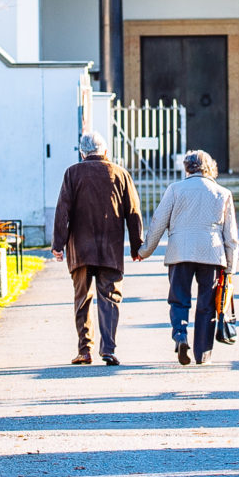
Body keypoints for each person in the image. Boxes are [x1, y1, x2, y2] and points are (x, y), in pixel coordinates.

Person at [51, 131, 142, 365]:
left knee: (82, 298)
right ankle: (109, 348)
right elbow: (133, 213)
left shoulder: (72, 173)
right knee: (110, 298)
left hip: (80, 249)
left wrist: (58, 244)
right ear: (105, 151)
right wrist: (136, 246)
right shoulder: (120, 174)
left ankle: (85, 349)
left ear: (82, 153)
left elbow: (63, 211)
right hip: (110, 248)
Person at [141, 149, 239, 366]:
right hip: (212, 254)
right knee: (207, 305)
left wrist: (144, 251)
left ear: (186, 167)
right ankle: (202, 354)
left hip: (180, 252)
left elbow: (158, 222)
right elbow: (230, 236)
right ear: (209, 167)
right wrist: (230, 267)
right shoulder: (222, 193)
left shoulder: (175, 190)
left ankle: (180, 335)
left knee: (179, 299)